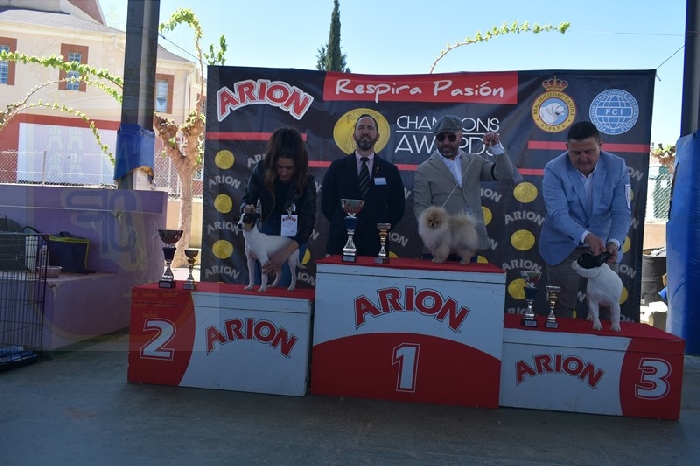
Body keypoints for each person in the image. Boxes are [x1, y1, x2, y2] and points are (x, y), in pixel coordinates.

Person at [539, 121, 632, 318]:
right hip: (562, 247)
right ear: (567, 148)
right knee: (560, 308)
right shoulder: (554, 169)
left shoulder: (617, 166)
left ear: (601, 145)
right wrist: (587, 236)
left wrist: (614, 243)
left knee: (606, 308)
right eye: (576, 153)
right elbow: (558, 214)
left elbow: (622, 211)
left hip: (603, 248)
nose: (583, 158)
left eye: (589, 151)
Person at [413, 114, 514, 260]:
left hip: (469, 244)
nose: (446, 142)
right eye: (441, 137)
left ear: (460, 136)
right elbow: (420, 209)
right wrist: (434, 236)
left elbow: (505, 173)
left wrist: (496, 147)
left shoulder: (475, 161)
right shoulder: (424, 169)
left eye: (451, 137)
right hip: (439, 246)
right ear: (435, 139)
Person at [240, 127, 316, 286]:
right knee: (261, 281)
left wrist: (283, 254)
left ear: (298, 165)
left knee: (283, 284)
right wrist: (247, 207)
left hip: (294, 233)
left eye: (289, 168)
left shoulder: (306, 180)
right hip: (267, 226)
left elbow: (307, 225)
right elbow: (247, 199)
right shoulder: (260, 169)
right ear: (272, 162)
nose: (284, 172)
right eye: (279, 167)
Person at [322, 113, 405, 257]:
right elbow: (327, 205)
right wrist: (344, 224)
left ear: (377, 136)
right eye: (361, 128)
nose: (365, 131)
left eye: (370, 128)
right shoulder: (337, 167)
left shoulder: (390, 171)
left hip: (375, 245)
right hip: (340, 243)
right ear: (354, 135)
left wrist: (379, 228)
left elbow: (397, 208)